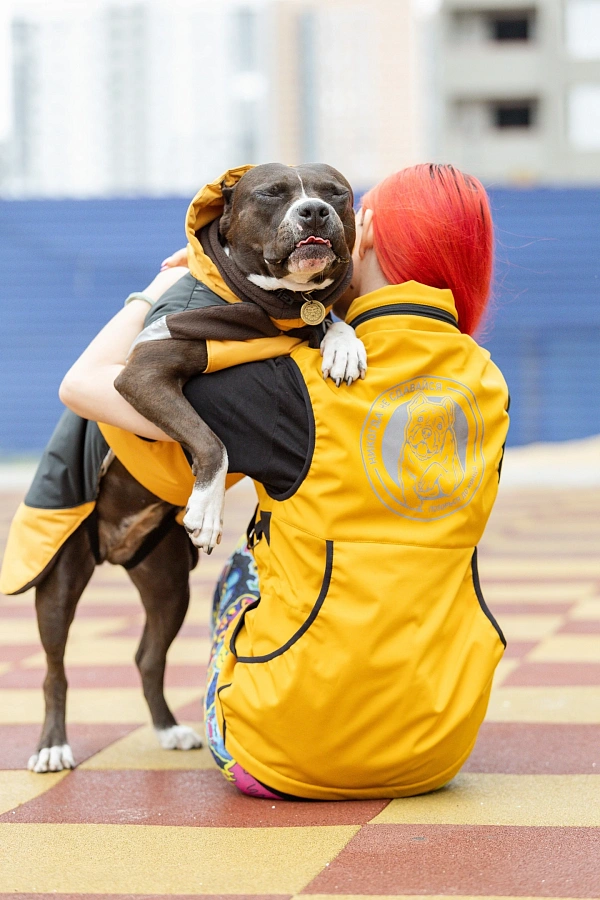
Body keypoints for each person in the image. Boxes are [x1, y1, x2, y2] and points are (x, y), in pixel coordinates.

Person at [61, 163, 509, 800]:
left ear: (367, 229)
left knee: (242, 568)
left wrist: (161, 288)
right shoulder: (487, 382)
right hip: (438, 749)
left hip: (286, 754)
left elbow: (82, 384)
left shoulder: (289, 383)